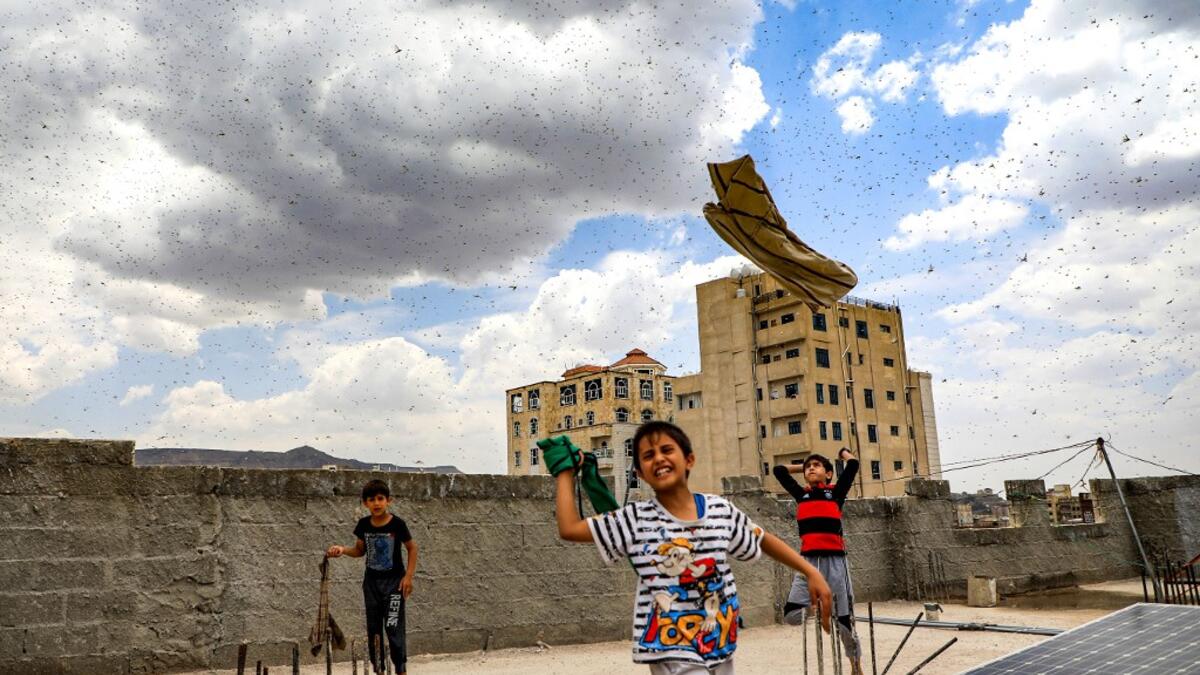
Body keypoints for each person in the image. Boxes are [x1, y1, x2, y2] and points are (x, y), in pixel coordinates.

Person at [554, 420, 833, 674]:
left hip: (719, 640)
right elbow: (570, 528)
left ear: (689, 459)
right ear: (640, 472)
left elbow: (761, 538)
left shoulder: (720, 510)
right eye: (648, 456)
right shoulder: (635, 519)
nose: (659, 458)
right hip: (670, 645)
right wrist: (564, 472)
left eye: (666, 450)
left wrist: (811, 571)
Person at [772, 448, 862, 675]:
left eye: (817, 465)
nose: (811, 468)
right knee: (792, 616)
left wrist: (843, 453)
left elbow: (852, 466)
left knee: (845, 624)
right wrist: (802, 465)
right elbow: (779, 470)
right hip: (808, 564)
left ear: (829, 474)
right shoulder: (801, 494)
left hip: (835, 564)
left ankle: (856, 666)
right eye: (808, 467)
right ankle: (823, 608)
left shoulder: (836, 493)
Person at [327, 479, 418, 675]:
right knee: (374, 628)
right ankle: (378, 669)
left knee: (394, 628)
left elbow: (412, 548)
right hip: (371, 585)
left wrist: (408, 577)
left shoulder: (397, 524)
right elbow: (359, 551)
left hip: (394, 584)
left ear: (388, 501)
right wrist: (342, 550)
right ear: (365, 503)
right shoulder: (363, 525)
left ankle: (400, 670)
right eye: (371, 499)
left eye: (380, 499)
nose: (376, 503)